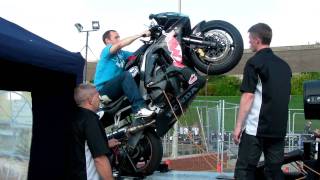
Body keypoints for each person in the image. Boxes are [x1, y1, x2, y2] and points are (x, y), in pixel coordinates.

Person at [233, 23, 292, 179]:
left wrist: (238, 126)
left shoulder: (254, 62)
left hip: (256, 129)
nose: (249, 42)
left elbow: (248, 96)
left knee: (244, 170)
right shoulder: (285, 66)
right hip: (278, 129)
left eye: (250, 39)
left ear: (257, 39)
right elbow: (288, 96)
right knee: (274, 172)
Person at [94, 29, 154, 121]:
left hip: (116, 89)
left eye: (119, 37)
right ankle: (139, 108)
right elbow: (120, 44)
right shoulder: (106, 51)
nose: (119, 39)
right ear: (107, 41)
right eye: (116, 37)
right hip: (103, 91)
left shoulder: (122, 54)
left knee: (135, 73)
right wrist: (140, 34)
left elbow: (138, 54)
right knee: (126, 75)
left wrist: (152, 43)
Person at [71, 83, 121, 180]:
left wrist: (105, 144)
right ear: (90, 100)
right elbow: (100, 159)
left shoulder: (75, 116)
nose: (99, 99)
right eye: (97, 96)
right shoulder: (90, 119)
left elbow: (82, 145)